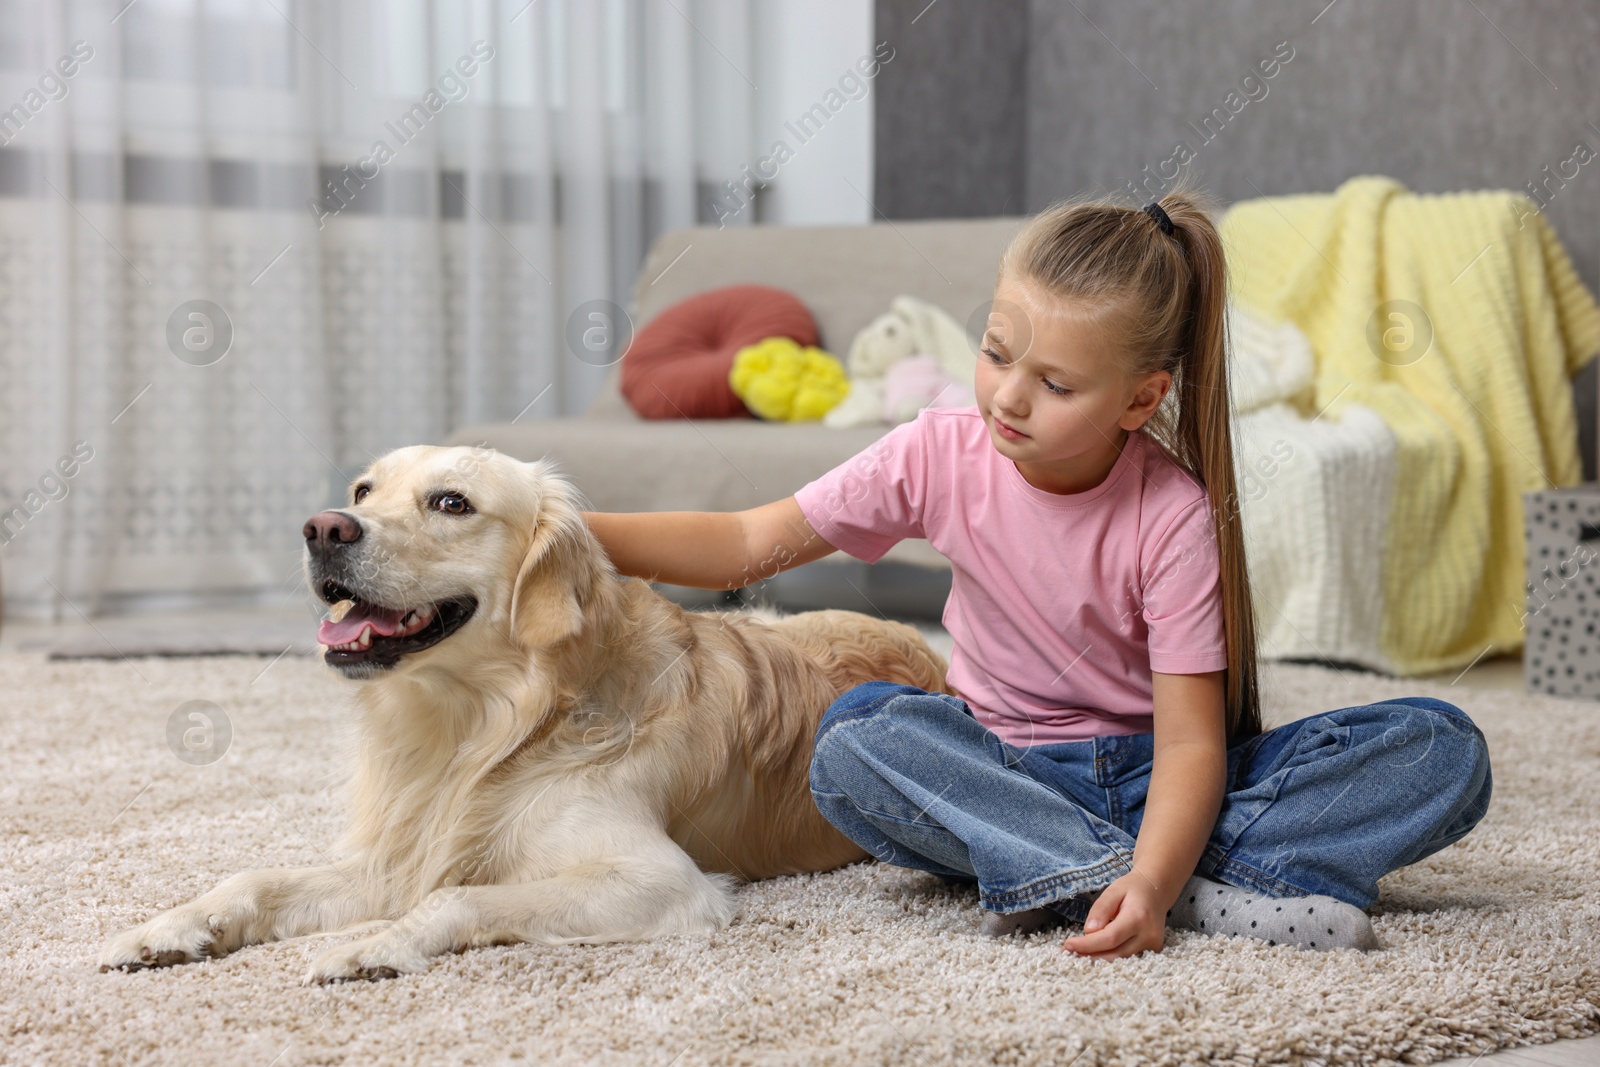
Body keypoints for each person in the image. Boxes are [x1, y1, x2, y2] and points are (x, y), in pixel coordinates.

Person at [581, 185, 1492, 961]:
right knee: (856, 740)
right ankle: (1175, 891)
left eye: (1057, 386)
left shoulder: (1171, 514)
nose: (1010, 397)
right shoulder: (938, 451)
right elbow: (748, 542)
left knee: (1441, 747)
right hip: (995, 771)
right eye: (995, 352)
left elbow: (1187, 747)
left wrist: (1155, 862)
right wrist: (576, 531)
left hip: (1150, 777)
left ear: (1143, 398)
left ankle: (1108, 879)